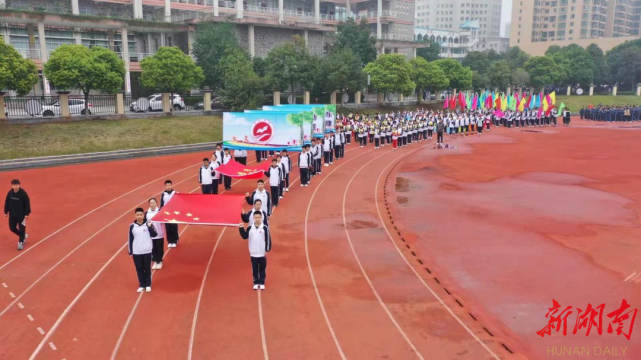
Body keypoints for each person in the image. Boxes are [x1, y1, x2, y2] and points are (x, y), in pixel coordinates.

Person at [239, 212, 271, 290]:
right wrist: (241, 228)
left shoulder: (264, 228)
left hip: (262, 253)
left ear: (261, 218)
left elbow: (268, 239)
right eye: (255, 217)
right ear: (253, 218)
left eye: (258, 217)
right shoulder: (250, 228)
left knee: (262, 268)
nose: (257, 219)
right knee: (255, 268)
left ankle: (262, 282)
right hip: (253, 253)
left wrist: (267, 250)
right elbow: (244, 236)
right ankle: (256, 282)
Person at [128, 207, 157, 293]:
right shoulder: (132, 226)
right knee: (139, 269)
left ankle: (148, 284)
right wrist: (130, 252)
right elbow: (130, 239)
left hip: (147, 251)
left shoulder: (148, 224)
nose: (139, 216)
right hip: (137, 252)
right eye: (138, 215)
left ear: (143, 215)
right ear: (135, 216)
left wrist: (150, 227)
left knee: (147, 268)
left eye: (141, 215)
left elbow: (154, 234)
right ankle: (142, 284)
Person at [4, 179, 31, 251]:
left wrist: (27, 213)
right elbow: (7, 202)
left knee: (22, 229)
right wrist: (5, 211)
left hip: (21, 216)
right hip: (12, 215)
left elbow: (27, 204)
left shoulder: (23, 194)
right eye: (14, 185)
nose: (15, 186)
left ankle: (20, 243)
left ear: (19, 185)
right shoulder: (10, 193)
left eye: (16, 185)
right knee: (12, 228)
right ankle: (23, 236)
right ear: (12, 186)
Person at [146, 198, 165, 270]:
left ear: (156, 203)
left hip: (159, 233)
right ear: (149, 204)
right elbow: (146, 222)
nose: (152, 204)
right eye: (151, 203)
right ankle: (155, 261)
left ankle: (159, 261)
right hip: (151, 234)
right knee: (153, 248)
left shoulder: (160, 211)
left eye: (154, 202)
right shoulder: (147, 213)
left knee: (159, 248)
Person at [160, 180, 179, 248]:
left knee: (174, 227)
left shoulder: (175, 193)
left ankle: (175, 240)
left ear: (171, 185)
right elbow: (162, 204)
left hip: (174, 212)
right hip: (166, 213)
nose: (168, 187)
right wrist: (161, 212)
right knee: (167, 227)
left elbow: (179, 202)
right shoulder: (163, 194)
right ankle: (169, 241)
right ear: (165, 186)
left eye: (169, 185)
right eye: (167, 185)